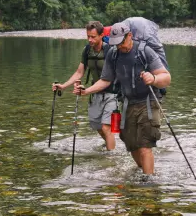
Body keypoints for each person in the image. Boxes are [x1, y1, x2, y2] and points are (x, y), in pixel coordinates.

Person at [73, 22, 171, 175]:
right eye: (115, 43)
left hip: (148, 102)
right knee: (131, 144)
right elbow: (106, 80)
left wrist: (153, 78)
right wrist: (86, 91)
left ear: (129, 36)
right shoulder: (113, 54)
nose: (119, 46)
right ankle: (143, 172)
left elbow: (166, 77)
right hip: (127, 103)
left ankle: (148, 183)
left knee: (145, 145)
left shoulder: (145, 51)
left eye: (121, 42)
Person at [53, 21, 118, 150]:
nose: (90, 39)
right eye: (88, 36)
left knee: (107, 128)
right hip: (95, 93)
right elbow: (79, 72)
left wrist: (86, 91)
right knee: (97, 127)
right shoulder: (87, 50)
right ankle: (112, 147)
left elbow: (108, 79)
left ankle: (111, 161)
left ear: (101, 35)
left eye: (93, 37)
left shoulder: (110, 51)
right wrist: (63, 86)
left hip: (114, 94)